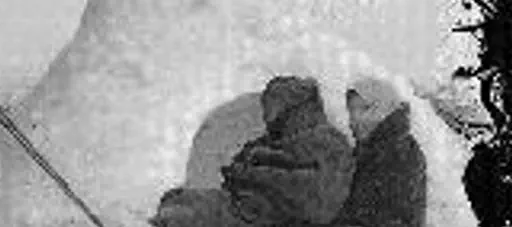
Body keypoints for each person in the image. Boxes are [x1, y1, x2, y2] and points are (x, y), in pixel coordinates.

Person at [149, 76, 356, 227]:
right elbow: (243, 166)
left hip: (271, 214)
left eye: (272, 107)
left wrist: (252, 176)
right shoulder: (277, 138)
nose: (267, 115)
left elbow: (315, 200)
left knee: (194, 213)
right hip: (254, 204)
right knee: (179, 198)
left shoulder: (328, 142)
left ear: (291, 109)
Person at [326, 78, 428, 227]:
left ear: (386, 109)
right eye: (351, 110)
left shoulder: (399, 154)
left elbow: (382, 217)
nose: (355, 119)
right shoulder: (375, 147)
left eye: (366, 108)